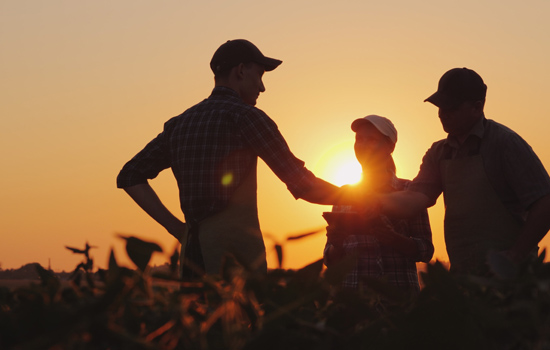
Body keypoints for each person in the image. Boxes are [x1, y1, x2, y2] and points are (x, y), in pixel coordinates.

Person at [116, 39, 352, 278]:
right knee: (240, 315)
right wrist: (361, 199)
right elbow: (303, 184)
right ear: (240, 70)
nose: (262, 87)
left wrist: (177, 228)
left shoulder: (180, 124)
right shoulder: (247, 118)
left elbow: (129, 176)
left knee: (195, 315)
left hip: (191, 259)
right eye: (259, 75)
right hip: (237, 264)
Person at [370, 68, 550, 275]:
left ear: (477, 107)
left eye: (451, 107)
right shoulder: (439, 153)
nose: (442, 113)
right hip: (464, 276)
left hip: (512, 280)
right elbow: (415, 199)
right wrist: (370, 200)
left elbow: (545, 202)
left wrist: (514, 257)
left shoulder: (505, 143)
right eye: (439, 106)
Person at [323, 115, 434, 295]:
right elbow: (330, 258)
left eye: (372, 139)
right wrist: (337, 243)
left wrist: (393, 238)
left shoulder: (409, 191)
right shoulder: (343, 194)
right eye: (359, 139)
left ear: (390, 147)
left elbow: (426, 251)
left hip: (399, 300)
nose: (363, 145)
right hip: (354, 300)